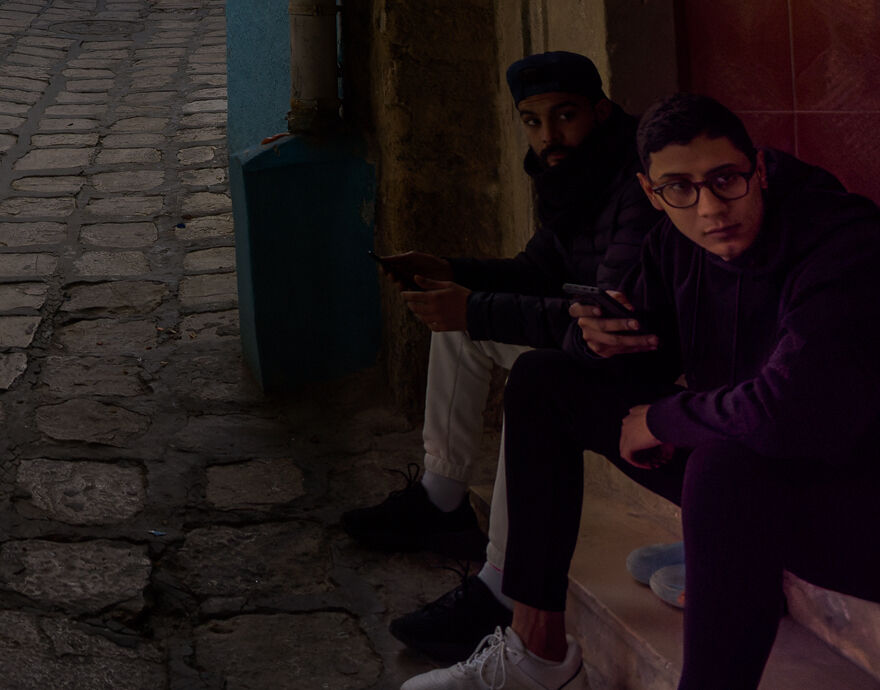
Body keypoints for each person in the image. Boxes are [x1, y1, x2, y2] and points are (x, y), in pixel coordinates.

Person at [406, 93, 880, 690]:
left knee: (722, 469)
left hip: (857, 505)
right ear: (651, 193)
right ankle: (537, 653)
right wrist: (595, 340)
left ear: (759, 169)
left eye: (726, 179)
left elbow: (788, 410)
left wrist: (662, 418)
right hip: (760, 476)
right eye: (679, 188)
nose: (710, 208)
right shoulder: (675, 240)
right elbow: (643, 346)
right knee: (545, 381)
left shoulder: (843, 243)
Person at [343, 51, 656, 662]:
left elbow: (614, 317)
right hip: (588, 336)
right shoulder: (573, 173)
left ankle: (501, 583)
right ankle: (441, 498)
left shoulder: (636, 182)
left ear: (600, 111)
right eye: (533, 121)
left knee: (529, 373)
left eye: (564, 116)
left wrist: (475, 306)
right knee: (462, 326)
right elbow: (539, 270)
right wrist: (451, 271)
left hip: (635, 352)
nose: (548, 136)